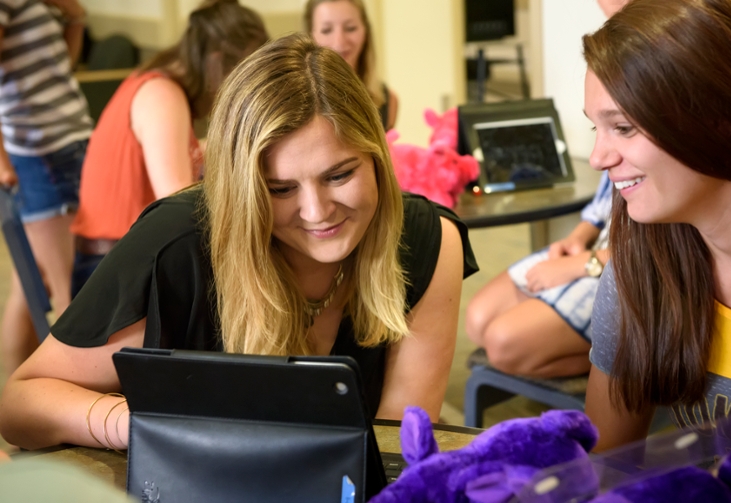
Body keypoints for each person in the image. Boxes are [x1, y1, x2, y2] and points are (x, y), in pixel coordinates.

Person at [0, 33, 478, 450]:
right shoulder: (179, 245)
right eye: (280, 189)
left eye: (339, 174)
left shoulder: (429, 241)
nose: (316, 212)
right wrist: (145, 427)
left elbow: (394, 442)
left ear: (377, 156)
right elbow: (21, 404)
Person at [582, 0, 731, 452]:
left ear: (720, 118)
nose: (597, 158)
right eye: (596, 130)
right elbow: (605, 470)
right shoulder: (643, 267)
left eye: (623, 127)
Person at [463, 0, 626, 380]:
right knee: (478, 320)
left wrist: (582, 265)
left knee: (504, 343)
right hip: (602, 247)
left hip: (633, 265)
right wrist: (580, 238)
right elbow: (610, 192)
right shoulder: (613, 53)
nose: (598, 156)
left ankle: (632, 365)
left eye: (623, 128)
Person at [68, 0, 269, 296]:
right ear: (215, 63)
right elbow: (179, 208)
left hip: (119, 257)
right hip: (112, 269)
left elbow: (187, 156)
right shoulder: (161, 95)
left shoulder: (159, 85)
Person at [0, 0, 92, 377]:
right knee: (71, 291)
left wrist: (74, 15)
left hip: (69, 141)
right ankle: (65, 407)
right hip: (42, 154)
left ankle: (19, 411)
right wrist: (3, 163)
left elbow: (60, 69)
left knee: (30, 283)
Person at [304, 0, 398, 131]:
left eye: (350, 28)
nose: (339, 42)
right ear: (310, 35)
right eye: (326, 30)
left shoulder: (387, 100)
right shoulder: (297, 99)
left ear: (365, 31)